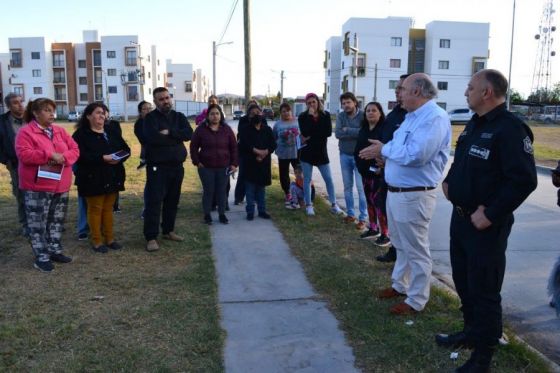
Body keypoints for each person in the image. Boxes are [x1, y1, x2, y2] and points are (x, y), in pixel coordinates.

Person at [436, 69, 537, 372]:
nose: (466, 92)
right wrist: (450, 182)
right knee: (464, 282)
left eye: (470, 87)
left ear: (487, 93)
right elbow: (462, 161)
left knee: (485, 290)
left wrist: (490, 213)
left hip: (486, 227)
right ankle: (470, 332)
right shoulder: (474, 123)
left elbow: (523, 180)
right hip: (461, 220)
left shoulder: (510, 129)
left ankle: (483, 357)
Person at [359, 73, 451, 315]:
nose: (399, 93)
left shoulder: (434, 118)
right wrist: (384, 157)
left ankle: (417, 300)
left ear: (417, 92)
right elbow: (400, 149)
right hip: (397, 192)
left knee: (417, 249)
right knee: (400, 244)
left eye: (403, 89)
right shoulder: (411, 117)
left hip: (414, 195)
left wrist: (384, 149)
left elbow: (417, 154)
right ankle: (400, 286)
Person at [15, 98, 79, 272]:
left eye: (53, 110)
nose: (52, 114)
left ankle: (54, 250)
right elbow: (25, 155)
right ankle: (41, 257)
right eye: (47, 110)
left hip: (61, 184)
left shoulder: (59, 130)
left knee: (56, 220)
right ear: (35, 113)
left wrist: (63, 157)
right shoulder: (26, 132)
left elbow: (74, 149)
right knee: (37, 223)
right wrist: (49, 155)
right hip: (37, 186)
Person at [73, 102, 130, 253]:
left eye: (103, 112)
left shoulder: (111, 131)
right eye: (98, 112)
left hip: (112, 175)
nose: (102, 115)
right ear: (88, 116)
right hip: (92, 178)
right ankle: (97, 241)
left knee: (108, 209)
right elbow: (80, 156)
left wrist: (120, 157)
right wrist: (102, 158)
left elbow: (126, 149)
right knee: (95, 209)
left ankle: (110, 239)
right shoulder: (81, 135)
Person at [143, 87, 193, 252]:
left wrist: (170, 133)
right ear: (155, 101)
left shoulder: (179, 117)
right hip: (158, 167)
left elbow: (189, 134)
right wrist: (175, 138)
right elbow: (152, 138)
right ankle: (151, 237)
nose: (165, 101)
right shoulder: (150, 118)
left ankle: (168, 230)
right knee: (154, 202)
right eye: (161, 99)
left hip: (177, 167)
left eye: (167, 98)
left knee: (173, 201)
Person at [376, 74, 409, 263]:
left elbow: (412, 152)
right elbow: (385, 139)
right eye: (396, 89)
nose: (397, 92)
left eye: (401, 88)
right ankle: (394, 249)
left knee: (405, 224)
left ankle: (401, 253)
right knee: (388, 212)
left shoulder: (414, 116)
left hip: (405, 181)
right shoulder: (394, 114)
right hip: (387, 172)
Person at [190, 104, 238, 224]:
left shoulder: (226, 129)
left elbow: (234, 148)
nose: (215, 116)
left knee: (222, 191)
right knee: (208, 191)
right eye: (212, 114)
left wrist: (234, 164)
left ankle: (222, 214)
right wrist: (197, 162)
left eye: (217, 113)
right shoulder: (201, 129)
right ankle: (207, 215)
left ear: (220, 115)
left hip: (224, 167)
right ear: (208, 116)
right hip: (206, 167)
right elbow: (193, 146)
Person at [298, 92, 343, 216]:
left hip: (321, 153)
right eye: (309, 103)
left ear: (318, 102)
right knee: (307, 179)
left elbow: (327, 132)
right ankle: (308, 205)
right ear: (306, 105)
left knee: (328, 179)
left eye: (314, 102)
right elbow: (305, 131)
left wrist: (311, 134)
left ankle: (334, 205)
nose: (312, 104)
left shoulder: (325, 115)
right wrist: (311, 118)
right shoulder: (303, 116)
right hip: (307, 152)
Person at [354, 102, 390, 247]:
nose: (370, 113)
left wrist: (380, 167)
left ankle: (385, 234)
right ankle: (373, 228)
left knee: (378, 202)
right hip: (364, 172)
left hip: (378, 173)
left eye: (374, 110)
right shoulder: (363, 129)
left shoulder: (383, 130)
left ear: (380, 113)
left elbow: (385, 151)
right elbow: (357, 148)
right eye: (368, 110)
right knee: (369, 200)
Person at [335, 92, 368, 230]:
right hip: (344, 155)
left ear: (355, 102)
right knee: (347, 187)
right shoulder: (341, 116)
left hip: (360, 156)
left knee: (361, 189)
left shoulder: (363, 116)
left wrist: (347, 129)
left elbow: (363, 134)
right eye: (343, 103)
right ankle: (350, 214)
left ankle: (363, 218)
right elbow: (337, 133)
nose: (346, 105)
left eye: (348, 102)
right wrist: (355, 133)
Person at [238, 111, 276, 220]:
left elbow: (273, 144)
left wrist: (265, 152)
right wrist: (256, 151)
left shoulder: (267, 129)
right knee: (249, 190)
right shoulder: (245, 130)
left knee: (261, 189)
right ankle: (250, 212)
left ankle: (262, 210)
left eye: (258, 113)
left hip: (263, 163)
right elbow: (243, 145)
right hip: (250, 163)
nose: (256, 116)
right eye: (253, 114)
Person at [0, 93, 28, 236]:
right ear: (9, 106)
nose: (20, 105)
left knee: (41, 194)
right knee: (21, 194)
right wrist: (6, 160)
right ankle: (25, 225)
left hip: (36, 164)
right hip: (16, 164)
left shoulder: (31, 120)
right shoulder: (3, 122)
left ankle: (43, 222)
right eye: (16, 103)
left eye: (21, 101)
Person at [234, 102, 267, 205]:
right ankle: (239, 197)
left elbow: (266, 136)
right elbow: (242, 134)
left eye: (257, 111)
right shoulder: (243, 120)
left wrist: (262, 152)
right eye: (252, 111)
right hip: (246, 153)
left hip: (260, 153)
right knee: (243, 175)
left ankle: (257, 198)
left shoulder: (263, 120)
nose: (255, 113)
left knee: (258, 176)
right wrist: (252, 121)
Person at [272, 102, 300, 207]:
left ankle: (300, 191)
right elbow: (273, 138)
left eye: (288, 111)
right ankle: (287, 193)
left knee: (299, 172)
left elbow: (302, 136)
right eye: (283, 111)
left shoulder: (297, 122)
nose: (286, 113)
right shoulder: (277, 124)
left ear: (291, 111)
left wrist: (297, 134)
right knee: (284, 174)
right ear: (280, 113)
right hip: (283, 153)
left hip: (296, 152)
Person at [134, 100, 153, 170]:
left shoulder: (157, 120)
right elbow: (144, 140)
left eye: (150, 108)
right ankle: (143, 161)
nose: (148, 110)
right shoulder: (139, 124)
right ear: (140, 111)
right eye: (145, 109)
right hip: (151, 155)